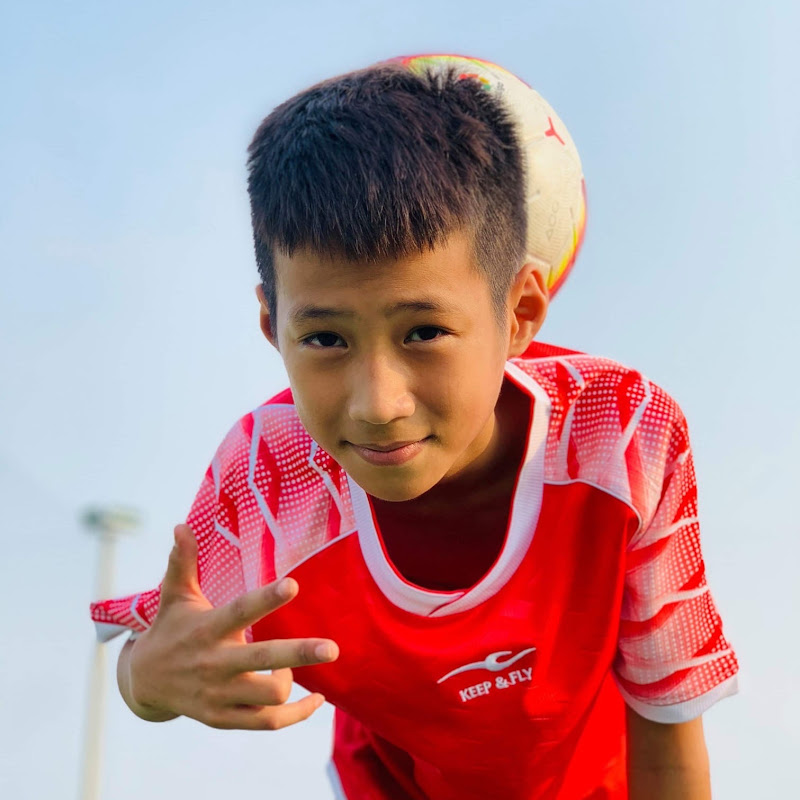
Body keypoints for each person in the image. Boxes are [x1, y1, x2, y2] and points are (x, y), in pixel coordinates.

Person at [91, 59, 738, 799]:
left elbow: (668, 718)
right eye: (326, 339)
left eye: (424, 332)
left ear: (520, 313)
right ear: (273, 326)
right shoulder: (272, 479)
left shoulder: (620, 434)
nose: (378, 403)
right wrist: (149, 684)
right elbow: (153, 654)